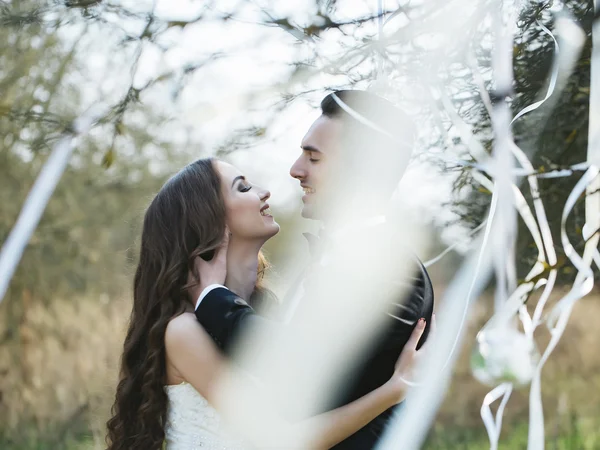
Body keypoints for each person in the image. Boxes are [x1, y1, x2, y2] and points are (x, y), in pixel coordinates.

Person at [105, 158, 432, 450]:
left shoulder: (269, 309)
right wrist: (393, 391)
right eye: (243, 187)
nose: (264, 193)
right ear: (209, 219)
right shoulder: (184, 331)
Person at [193, 90, 435, 449]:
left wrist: (212, 298)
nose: (295, 170)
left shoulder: (393, 273)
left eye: (314, 157)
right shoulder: (333, 260)